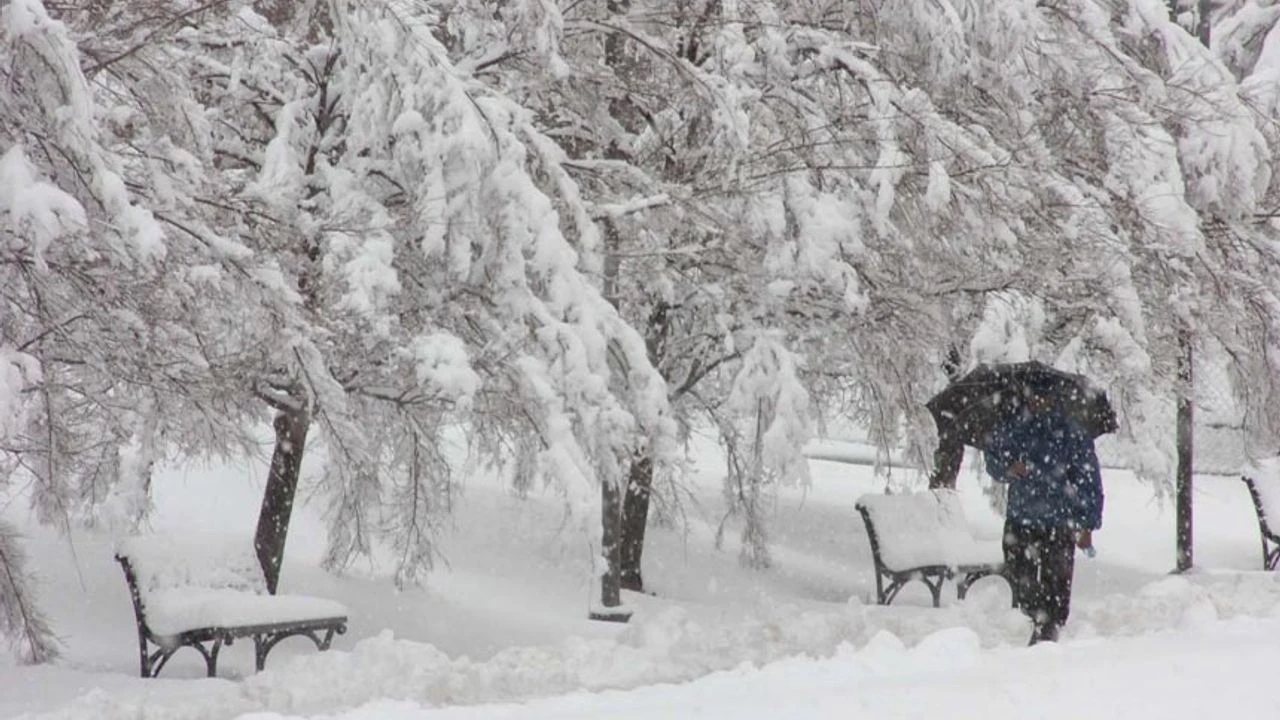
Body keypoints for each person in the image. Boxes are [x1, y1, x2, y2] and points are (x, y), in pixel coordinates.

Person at [984, 387, 1104, 645]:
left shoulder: (1071, 431)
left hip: (1058, 521)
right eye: (1033, 395)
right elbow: (993, 456)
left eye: (1043, 395)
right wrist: (1008, 468)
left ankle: (1049, 629)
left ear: (1054, 397)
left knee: (1056, 583)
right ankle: (1034, 619)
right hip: (1021, 517)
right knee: (1020, 576)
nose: (1037, 400)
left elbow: (1088, 480)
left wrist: (1087, 524)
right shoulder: (1014, 425)